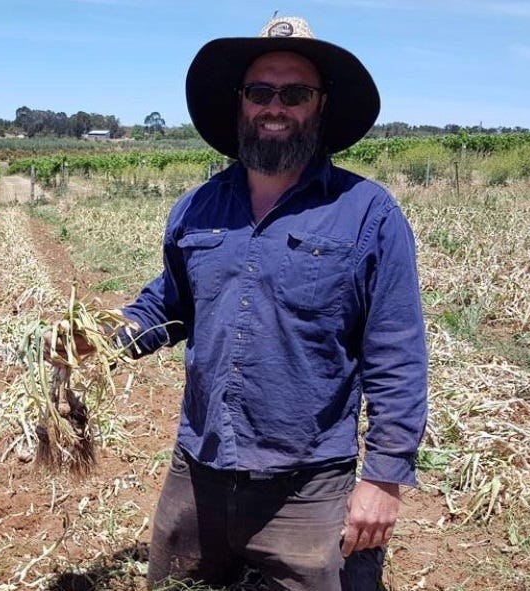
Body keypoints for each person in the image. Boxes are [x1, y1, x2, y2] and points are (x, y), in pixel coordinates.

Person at [93, 15, 428, 590]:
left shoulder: (368, 212)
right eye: (260, 92)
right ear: (240, 102)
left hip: (309, 484)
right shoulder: (198, 207)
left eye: (294, 94)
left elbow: (396, 350)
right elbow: (169, 304)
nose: (275, 107)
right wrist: (98, 340)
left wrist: (383, 478)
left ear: (321, 105)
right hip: (200, 467)